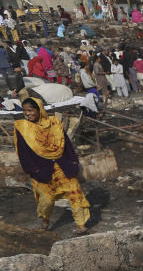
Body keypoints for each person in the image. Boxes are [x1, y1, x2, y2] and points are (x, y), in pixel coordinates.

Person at [14, 97, 91, 234]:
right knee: (47, 201)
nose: (27, 114)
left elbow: (66, 143)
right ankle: (45, 221)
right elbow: (22, 151)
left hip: (63, 166)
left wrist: (73, 161)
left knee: (75, 194)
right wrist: (33, 169)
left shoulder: (54, 123)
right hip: (41, 170)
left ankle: (81, 224)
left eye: (30, 110)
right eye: (25, 111)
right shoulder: (22, 127)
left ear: (39, 110)